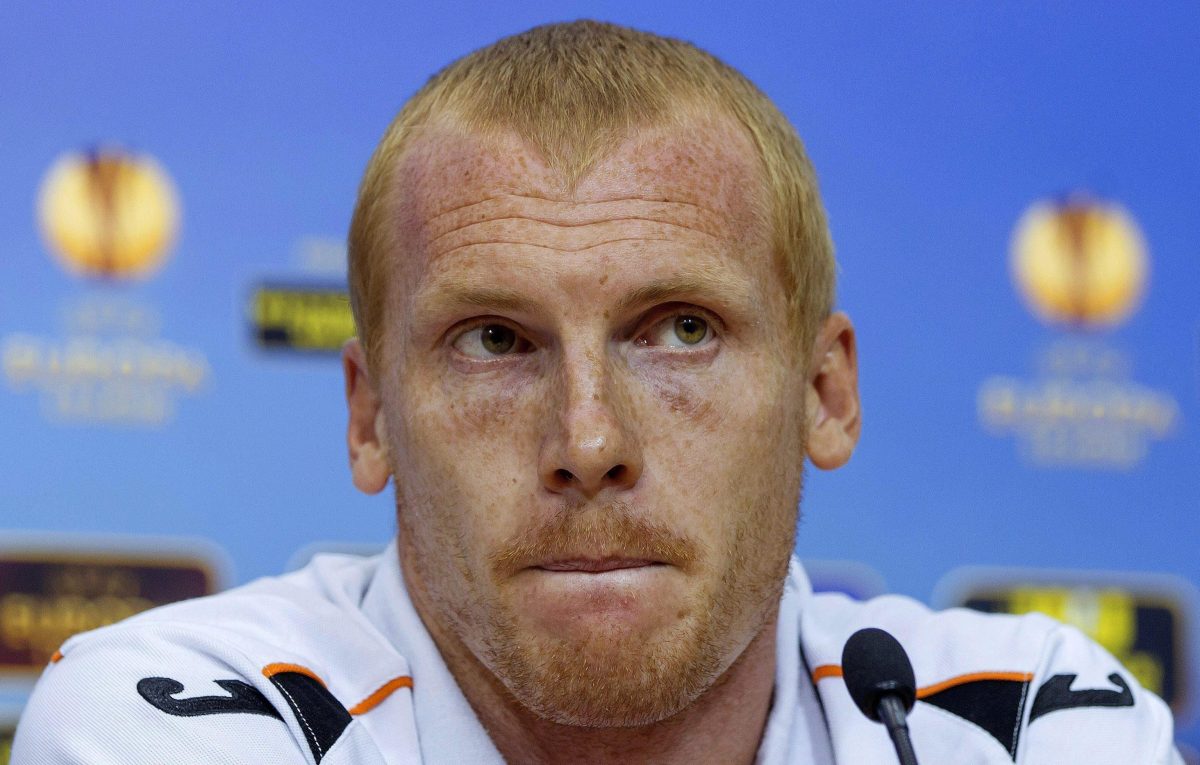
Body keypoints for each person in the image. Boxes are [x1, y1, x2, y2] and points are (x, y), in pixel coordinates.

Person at [12, 20, 1182, 765]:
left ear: (826, 393)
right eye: (493, 341)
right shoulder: (174, 717)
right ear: (368, 416)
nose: (588, 439)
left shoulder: (1030, 726)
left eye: (681, 330)